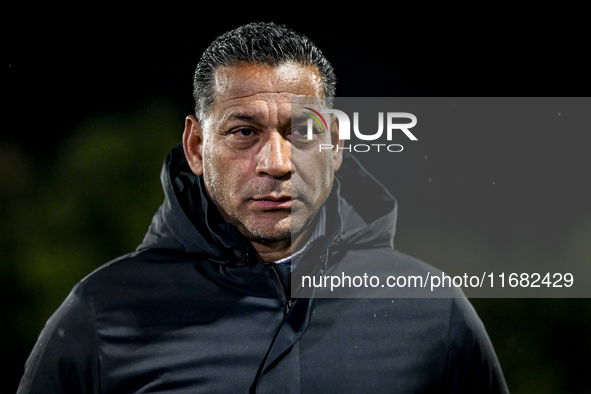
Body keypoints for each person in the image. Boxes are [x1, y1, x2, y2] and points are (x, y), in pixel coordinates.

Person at [18, 22, 509, 393]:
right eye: (244, 132)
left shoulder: (433, 311)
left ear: (335, 145)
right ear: (195, 147)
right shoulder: (102, 315)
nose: (276, 163)